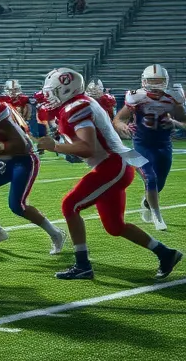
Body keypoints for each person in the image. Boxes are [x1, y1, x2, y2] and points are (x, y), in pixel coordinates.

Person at [36, 68, 181, 281]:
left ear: (66, 90)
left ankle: (83, 265)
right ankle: (166, 254)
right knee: (115, 226)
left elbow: (88, 148)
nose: (47, 95)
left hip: (112, 165)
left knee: (70, 205)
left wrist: (56, 146)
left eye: (52, 91)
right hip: (114, 164)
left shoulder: (77, 107)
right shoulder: (77, 104)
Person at [0, 78, 65, 253]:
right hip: (6, 159)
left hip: (23, 160)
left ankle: (56, 233)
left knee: (18, 206)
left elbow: (22, 145)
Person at [114, 65, 186, 231]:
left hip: (163, 145)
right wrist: (123, 127)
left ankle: (147, 202)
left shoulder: (172, 99)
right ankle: (157, 215)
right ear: (144, 81)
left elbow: (184, 122)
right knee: (150, 178)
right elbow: (118, 119)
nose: (154, 85)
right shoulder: (137, 98)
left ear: (165, 82)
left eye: (158, 81)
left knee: (159, 183)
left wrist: (175, 123)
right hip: (141, 145)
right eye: (151, 81)